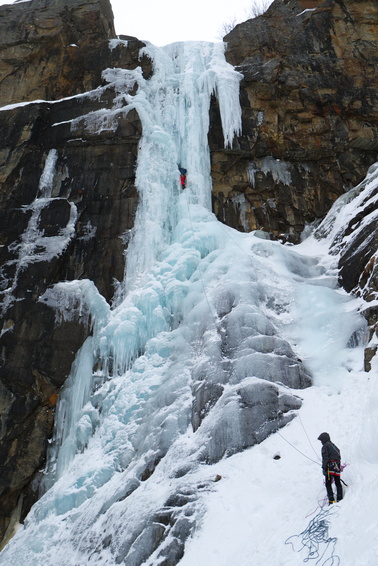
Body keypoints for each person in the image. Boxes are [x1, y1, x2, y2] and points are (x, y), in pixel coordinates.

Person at [318, 432, 343, 504]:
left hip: (330, 468)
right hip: (337, 467)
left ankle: (331, 500)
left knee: (328, 484)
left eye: (321, 440)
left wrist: (324, 467)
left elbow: (325, 458)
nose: (321, 442)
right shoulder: (334, 446)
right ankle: (339, 498)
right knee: (337, 482)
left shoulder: (325, 446)